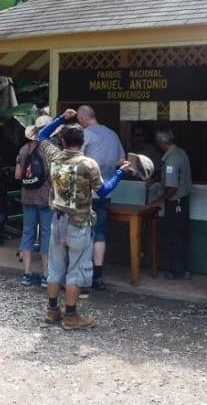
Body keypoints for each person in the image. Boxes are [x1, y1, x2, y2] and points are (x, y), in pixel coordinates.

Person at [38, 109, 131, 330]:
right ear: (82, 142)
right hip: (78, 225)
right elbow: (104, 190)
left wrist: (62, 117)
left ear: (62, 140)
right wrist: (120, 173)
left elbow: (42, 135)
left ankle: (52, 310)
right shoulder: (88, 165)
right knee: (77, 269)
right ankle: (70, 316)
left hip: (57, 221)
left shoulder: (54, 156)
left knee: (55, 268)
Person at [76, 105, 125, 290]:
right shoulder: (112, 134)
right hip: (106, 192)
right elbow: (122, 161)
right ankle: (98, 276)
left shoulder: (85, 135)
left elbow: (76, 159)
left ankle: (82, 275)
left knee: (82, 233)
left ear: (82, 119)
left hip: (85, 194)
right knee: (100, 233)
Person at [147, 128, 192, 280]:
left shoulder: (171, 159)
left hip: (176, 203)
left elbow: (172, 187)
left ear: (160, 142)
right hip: (183, 202)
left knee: (175, 237)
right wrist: (156, 179)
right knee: (181, 236)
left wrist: (159, 200)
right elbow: (171, 178)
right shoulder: (180, 152)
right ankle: (183, 269)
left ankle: (176, 270)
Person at [15, 115, 53, 288]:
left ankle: (27, 275)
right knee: (46, 235)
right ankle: (46, 276)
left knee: (27, 233)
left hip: (27, 197)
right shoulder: (49, 150)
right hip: (46, 199)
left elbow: (17, 175)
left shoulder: (24, 150)